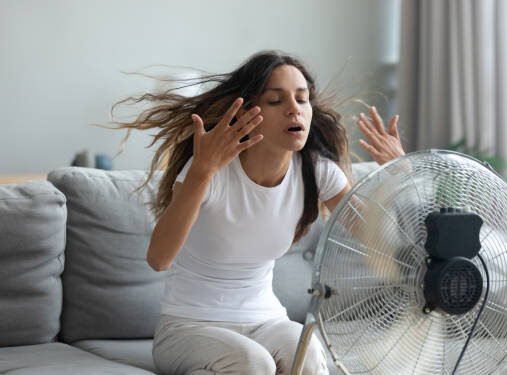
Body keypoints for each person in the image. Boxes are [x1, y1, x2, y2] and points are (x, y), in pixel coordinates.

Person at [112, 50, 405, 375]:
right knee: (253, 364)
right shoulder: (210, 172)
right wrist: (201, 171)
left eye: (302, 98)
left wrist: (402, 174)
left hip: (267, 320)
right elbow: (159, 258)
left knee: (307, 356)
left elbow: (381, 242)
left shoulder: (317, 172)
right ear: (248, 111)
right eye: (275, 101)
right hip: (190, 326)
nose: (295, 109)